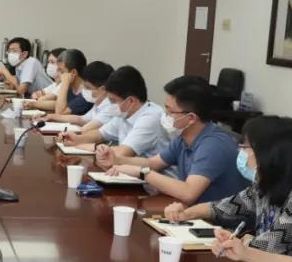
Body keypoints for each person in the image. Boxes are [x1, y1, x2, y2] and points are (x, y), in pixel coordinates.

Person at [163, 116, 292, 261]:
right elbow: (221, 208)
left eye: (246, 147)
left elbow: (269, 247)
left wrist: (241, 241)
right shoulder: (264, 186)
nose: (241, 152)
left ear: (267, 154)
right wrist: (185, 214)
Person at [101, 76, 248, 204]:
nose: (164, 115)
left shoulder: (213, 145)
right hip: (192, 213)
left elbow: (188, 192)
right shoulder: (184, 137)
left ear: (191, 118)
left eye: (169, 111)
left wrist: (142, 172)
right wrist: (117, 159)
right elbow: (153, 163)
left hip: (221, 224)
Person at [63, 66, 168, 159]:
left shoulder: (151, 117)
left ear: (130, 101)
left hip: (152, 174)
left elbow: (123, 152)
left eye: (113, 101)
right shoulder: (124, 113)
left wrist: (93, 147)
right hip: (128, 170)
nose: (110, 104)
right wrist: (77, 139)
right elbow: (100, 134)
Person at [51, 60, 115, 140]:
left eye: (88, 87)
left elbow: (84, 130)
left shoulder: (110, 107)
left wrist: (65, 134)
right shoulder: (99, 101)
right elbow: (81, 119)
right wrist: (51, 117)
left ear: (102, 89)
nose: (84, 90)